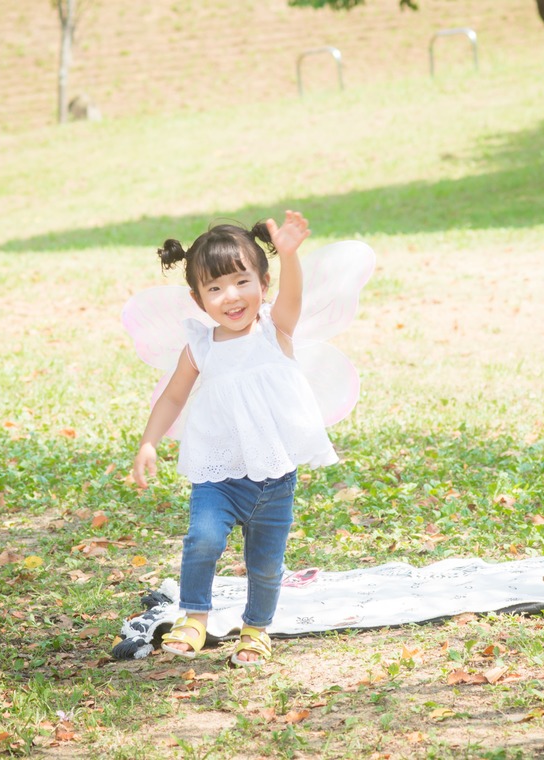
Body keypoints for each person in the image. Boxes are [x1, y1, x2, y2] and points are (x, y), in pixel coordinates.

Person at [131, 210, 337, 667]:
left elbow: (294, 294)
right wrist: (149, 441)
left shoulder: (273, 330)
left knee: (266, 565)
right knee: (202, 538)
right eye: (215, 288)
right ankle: (195, 617)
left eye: (242, 281)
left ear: (263, 282)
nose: (231, 296)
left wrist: (288, 255)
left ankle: (256, 629)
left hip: (273, 476)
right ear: (197, 298)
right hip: (218, 474)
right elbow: (172, 397)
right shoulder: (201, 346)